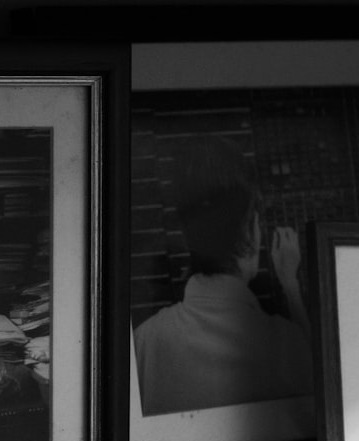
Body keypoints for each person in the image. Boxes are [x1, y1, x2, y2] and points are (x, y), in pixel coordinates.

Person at [133, 135, 312, 415]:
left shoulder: (143, 344)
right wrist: (290, 285)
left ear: (186, 234)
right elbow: (320, 386)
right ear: (250, 229)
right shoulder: (285, 344)